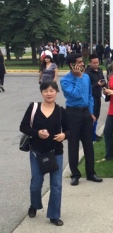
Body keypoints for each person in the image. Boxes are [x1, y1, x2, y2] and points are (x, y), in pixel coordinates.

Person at [20, 81, 68, 226]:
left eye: (52, 90)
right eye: (46, 91)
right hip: (37, 153)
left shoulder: (61, 111)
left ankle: (54, 214)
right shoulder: (33, 108)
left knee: (56, 184)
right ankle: (34, 205)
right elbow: (23, 126)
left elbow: (69, 129)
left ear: (56, 92)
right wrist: (37, 133)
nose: (49, 93)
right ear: (42, 92)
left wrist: (64, 135)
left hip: (55, 153)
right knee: (36, 183)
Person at [60, 54, 102, 186]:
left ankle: (91, 173)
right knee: (73, 145)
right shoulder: (65, 80)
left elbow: (89, 95)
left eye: (82, 62)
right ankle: (75, 174)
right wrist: (78, 78)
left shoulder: (87, 77)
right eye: (79, 62)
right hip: (72, 114)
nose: (82, 64)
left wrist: (91, 112)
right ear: (72, 65)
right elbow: (74, 94)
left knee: (88, 144)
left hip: (86, 113)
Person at [84, 54, 106, 142]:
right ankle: (90, 134)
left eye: (97, 62)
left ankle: (93, 132)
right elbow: (87, 87)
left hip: (98, 95)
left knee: (97, 115)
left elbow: (103, 80)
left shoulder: (100, 70)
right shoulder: (87, 73)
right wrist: (97, 85)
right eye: (94, 63)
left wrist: (104, 86)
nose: (96, 64)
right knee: (92, 115)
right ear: (90, 63)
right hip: (91, 96)